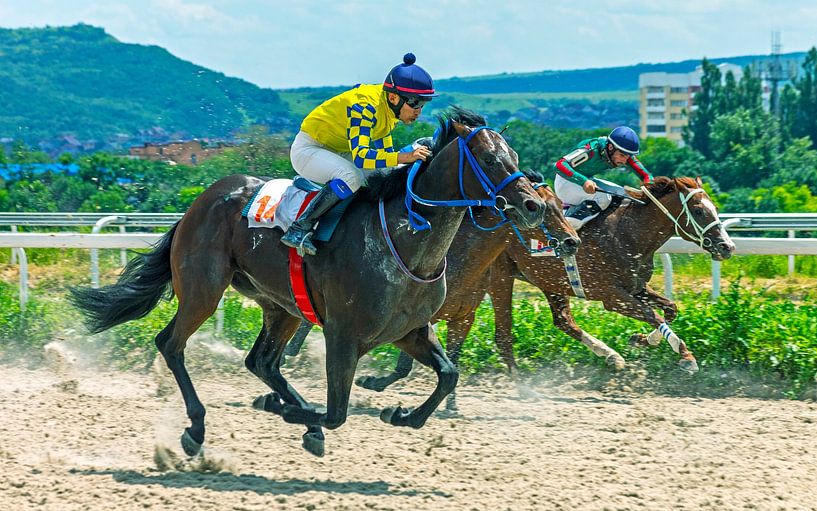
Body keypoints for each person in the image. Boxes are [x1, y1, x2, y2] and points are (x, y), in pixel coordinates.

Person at [281, 53, 437, 255]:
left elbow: (385, 156)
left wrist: (399, 163)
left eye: (422, 104)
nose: (418, 111)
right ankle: (300, 228)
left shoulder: (390, 108)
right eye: (415, 103)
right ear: (393, 97)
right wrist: (403, 157)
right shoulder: (366, 107)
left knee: (385, 173)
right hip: (309, 150)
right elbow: (362, 156)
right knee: (351, 176)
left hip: (338, 151)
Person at [552, 126, 653, 229]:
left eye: (628, 157)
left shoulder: (622, 152)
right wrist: (584, 181)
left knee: (623, 195)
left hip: (587, 181)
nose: (624, 161)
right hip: (565, 183)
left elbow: (646, 176)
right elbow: (559, 165)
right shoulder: (590, 150)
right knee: (603, 198)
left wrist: (651, 188)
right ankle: (567, 227)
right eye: (622, 155)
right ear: (610, 147)